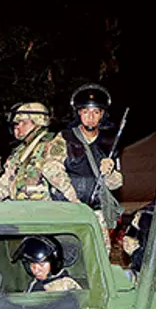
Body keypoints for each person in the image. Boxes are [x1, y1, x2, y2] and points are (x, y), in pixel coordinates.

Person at [61, 84, 124, 246]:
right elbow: (50, 170)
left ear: (102, 115)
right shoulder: (64, 139)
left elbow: (117, 184)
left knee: (100, 253)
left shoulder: (109, 144)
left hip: (96, 213)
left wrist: (109, 172)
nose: (90, 117)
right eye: (85, 112)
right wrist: (72, 197)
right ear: (78, 113)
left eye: (96, 112)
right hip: (68, 210)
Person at [0, 103, 79, 203]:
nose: (17, 127)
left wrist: (75, 200)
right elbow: (7, 181)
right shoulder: (21, 151)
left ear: (38, 123)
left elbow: (55, 172)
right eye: (17, 123)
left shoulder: (52, 143)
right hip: (22, 209)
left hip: (45, 210)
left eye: (24, 123)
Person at [12, 235, 81, 292]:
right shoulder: (37, 283)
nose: (36, 271)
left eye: (41, 265)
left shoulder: (65, 285)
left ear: (54, 264)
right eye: (32, 266)